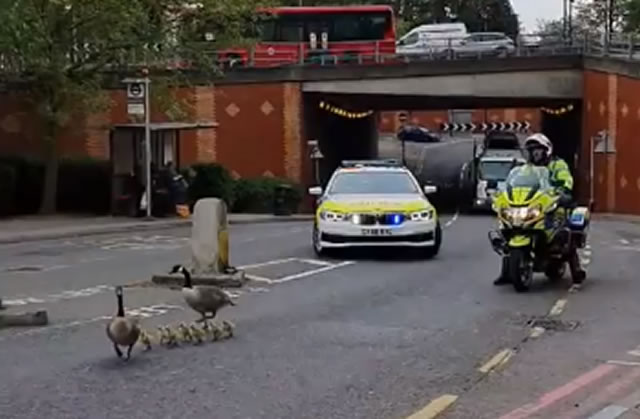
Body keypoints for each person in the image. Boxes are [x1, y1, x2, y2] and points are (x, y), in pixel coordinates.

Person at [493, 133, 585, 285]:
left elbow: (566, 181)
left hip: (553, 201)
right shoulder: (526, 168)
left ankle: (576, 269)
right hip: (532, 202)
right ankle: (506, 273)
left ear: (546, 151)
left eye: (538, 151)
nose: (535, 154)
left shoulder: (557, 164)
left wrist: (562, 191)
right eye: (531, 151)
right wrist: (502, 193)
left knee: (564, 229)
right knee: (511, 229)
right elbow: (517, 181)